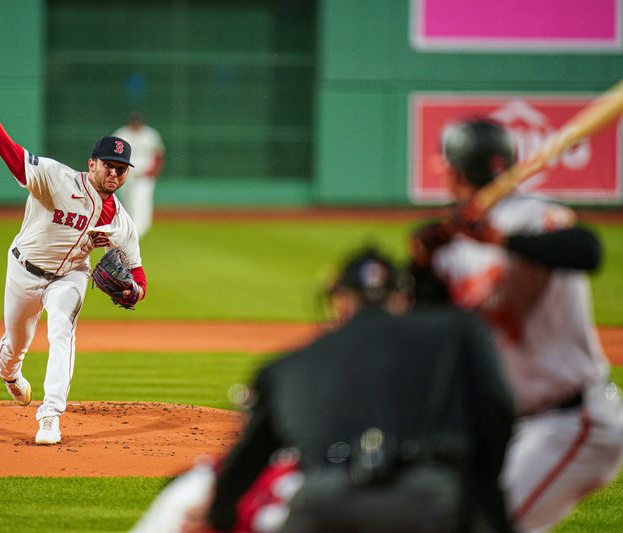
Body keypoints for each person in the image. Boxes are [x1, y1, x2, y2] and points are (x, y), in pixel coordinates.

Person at [195, 248, 515, 532]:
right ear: (402, 298)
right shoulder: (457, 332)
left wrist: (219, 515)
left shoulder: (288, 365)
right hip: (429, 495)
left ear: (340, 301)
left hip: (326, 500)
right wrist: (482, 491)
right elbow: (497, 409)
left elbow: (249, 456)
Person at [412, 118, 623, 532]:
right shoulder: (455, 243)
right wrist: (423, 266)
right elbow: (429, 322)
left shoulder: (532, 216)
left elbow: (586, 250)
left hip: (572, 420)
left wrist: (499, 240)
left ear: (453, 172)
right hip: (510, 426)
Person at [0, 62, 146, 445]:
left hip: (71, 277)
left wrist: (130, 292)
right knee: (15, 346)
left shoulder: (121, 221)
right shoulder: (55, 179)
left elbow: (139, 278)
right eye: (109, 165)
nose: (115, 174)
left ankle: (50, 415)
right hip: (24, 271)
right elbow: (4, 147)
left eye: (122, 169)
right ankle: (9, 371)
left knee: (62, 327)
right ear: (91, 163)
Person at [113, 112, 165, 238]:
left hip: (144, 176)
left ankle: (138, 231)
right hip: (126, 176)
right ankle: (130, 229)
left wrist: (153, 172)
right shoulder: (121, 134)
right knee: (128, 204)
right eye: (134, 122)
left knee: (141, 203)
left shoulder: (150, 135)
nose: (136, 124)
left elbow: (159, 154)